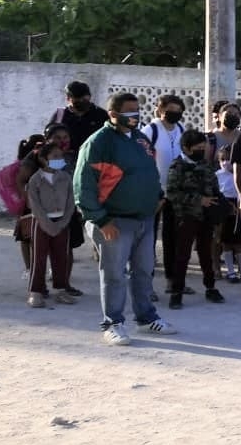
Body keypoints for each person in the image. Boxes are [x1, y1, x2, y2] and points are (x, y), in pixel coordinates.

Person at [73, 93, 176, 344]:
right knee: (114, 274)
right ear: (113, 114)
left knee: (144, 271)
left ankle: (146, 318)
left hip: (144, 219)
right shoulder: (98, 143)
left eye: (137, 110)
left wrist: (158, 196)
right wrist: (100, 220)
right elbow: (82, 186)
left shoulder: (140, 140)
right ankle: (113, 323)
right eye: (129, 111)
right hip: (113, 221)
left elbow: (149, 171)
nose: (135, 116)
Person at [165, 129, 228, 310]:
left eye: (204, 146)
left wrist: (217, 204)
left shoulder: (206, 165)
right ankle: (177, 292)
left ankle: (210, 287)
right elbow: (173, 193)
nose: (202, 150)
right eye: (198, 147)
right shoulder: (177, 167)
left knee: (206, 253)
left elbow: (214, 188)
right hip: (185, 217)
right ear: (186, 148)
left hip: (206, 218)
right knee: (182, 255)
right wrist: (199, 200)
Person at [24, 140, 77, 309]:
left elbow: (71, 202)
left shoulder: (66, 178)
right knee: (38, 257)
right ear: (44, 159)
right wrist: (47, 224)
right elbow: (34, 205)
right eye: (55, 157)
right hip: (41, 223)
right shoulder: (35, 180)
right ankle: (36, 291)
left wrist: (63, 222)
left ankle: (61, 289)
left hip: (61, 222)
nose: (59, 160)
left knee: (61, 257)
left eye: (61, 156)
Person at [144, 94, 186, 292]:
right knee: (148, 238)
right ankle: (146, 285)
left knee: (173, 238)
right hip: (153, 192)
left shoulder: (181, 130)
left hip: (176, 193)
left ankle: (172, 280)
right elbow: (143, 162)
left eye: (178, 109)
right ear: (160, 109)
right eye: (170, 108)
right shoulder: (150, 131)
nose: (175, 112)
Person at [50, 80, 109, 153]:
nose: (81, 101)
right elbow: (49, 138)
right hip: (65, 159)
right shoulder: (60, 115)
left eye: (84, 98)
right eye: (77, 98)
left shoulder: (101, 115)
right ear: (68, 98)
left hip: (93, 158)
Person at [215, 144, 241, 283]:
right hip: (223, 209)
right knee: (225, 242)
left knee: (238, 243)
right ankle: (230, 272)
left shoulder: (240, 174)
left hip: (238, 210)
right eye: (222, 159)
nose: (225, 163)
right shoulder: (217, 176)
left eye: (228, 159)